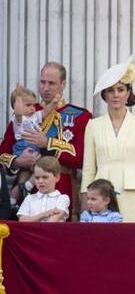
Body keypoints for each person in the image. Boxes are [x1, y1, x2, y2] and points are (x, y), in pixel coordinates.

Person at [0, 62, 92, 217]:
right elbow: (2, 153)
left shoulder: (80, 116)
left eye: (51, 83)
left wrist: (48, 144)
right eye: (42, 82)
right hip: (25, 195)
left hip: (60, 189)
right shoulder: (24, 111)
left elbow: (83, 159)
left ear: (63, 84)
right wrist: (18, 161)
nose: (46, 88)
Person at [81, 57, 135, 223]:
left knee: (130, 244)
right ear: (104, 95)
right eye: (111, 90)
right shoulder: (93, 125)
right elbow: (88, 169)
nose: (116, 95)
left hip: (132, 195)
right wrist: (85, 205)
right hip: (99, 197)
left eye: (120, 90)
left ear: (128, 93)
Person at [7, 85, 59, 202]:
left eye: (33, 105)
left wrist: (54, 102)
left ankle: (14, 197)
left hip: (34, 147)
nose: (32, 108)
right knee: (40, 167)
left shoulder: (35, 116)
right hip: (23, 147)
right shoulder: (19, 119)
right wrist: (18, 100)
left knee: (25, 172)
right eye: (28, 105)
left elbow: (46, 111)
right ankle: (29, 185)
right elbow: (19, 112)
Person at [17, 156, 69, 222]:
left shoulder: (62, 198)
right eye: (37, 178)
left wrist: (33, 219)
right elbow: (22, 220)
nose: (40, 181)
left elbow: (51, 222)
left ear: (57, 177)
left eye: (45, 177)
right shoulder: (29, 199)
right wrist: (44, 214)